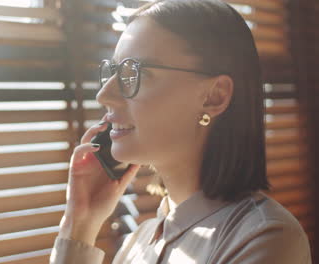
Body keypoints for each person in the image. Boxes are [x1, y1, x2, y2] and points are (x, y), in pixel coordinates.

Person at [49, 0, 312, 263]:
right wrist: (79, 224)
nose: (103, 95)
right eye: (112, 72)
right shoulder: (137, 244)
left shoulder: (264, 239)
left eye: (134, 73)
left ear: (214, 96)